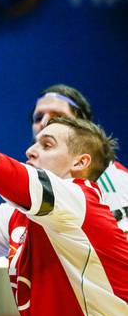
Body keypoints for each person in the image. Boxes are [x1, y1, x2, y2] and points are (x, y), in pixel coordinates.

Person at [0, 115, 128, 316]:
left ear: (80, 163)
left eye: (47, 145)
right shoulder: (18, 216)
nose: (30, 150)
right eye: (35, 142)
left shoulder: (77, 201)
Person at [31, 84, 128, 235]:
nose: (44, 122)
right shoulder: (38, 182)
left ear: (82, 126)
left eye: (58, 117)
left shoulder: (114, 182)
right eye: (38, 118)